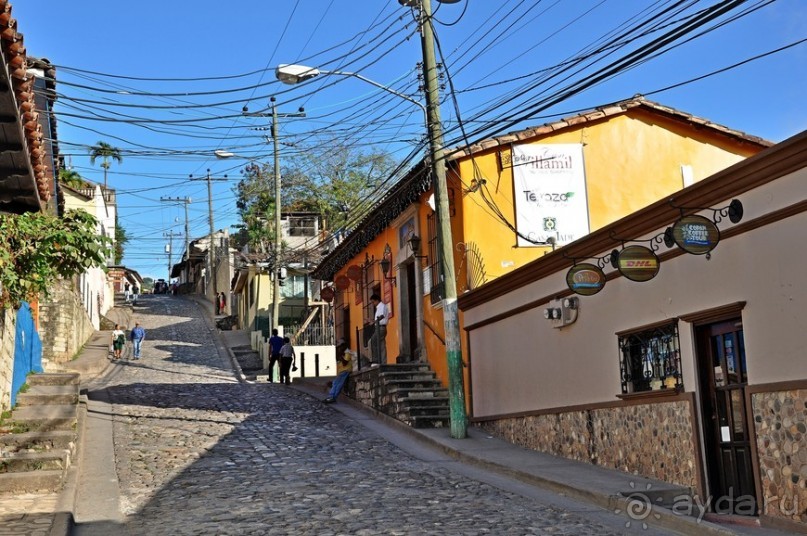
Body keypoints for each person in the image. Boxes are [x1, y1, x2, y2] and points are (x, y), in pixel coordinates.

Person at [323, 339, 353, 404]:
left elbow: (345, 363)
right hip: (341, 371)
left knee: (338, 384)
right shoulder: (342, 353)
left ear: (344, 346)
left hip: (345, 370)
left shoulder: (347, 352)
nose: (339, 348)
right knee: (335, 383)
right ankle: (331, 397)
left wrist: (341, 356)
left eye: (340, 346)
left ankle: (332, 397)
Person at [370, 293, 388, 365]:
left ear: (377, 300)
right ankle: (383, 362)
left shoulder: (382, 306)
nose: (373, 304)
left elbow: (381, 316)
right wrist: (372, 321)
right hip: (380, 327)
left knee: (373, 341)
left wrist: (374, 321)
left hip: (380, 328)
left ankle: (376, 360)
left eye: (373, 302)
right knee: (382, 345)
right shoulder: (379, 307)